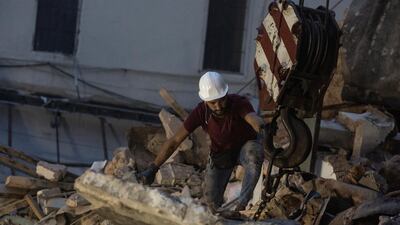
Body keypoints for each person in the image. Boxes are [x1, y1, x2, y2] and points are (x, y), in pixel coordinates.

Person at [138, 71, 266, 213]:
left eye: (222, 100)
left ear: (227, 94)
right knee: (210, 205)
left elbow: (252, 118)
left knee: (254, 153)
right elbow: (175, 140)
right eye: (213, 103)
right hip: (221, 155)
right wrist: (153, 168)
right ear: (205, 101)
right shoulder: (200, 112)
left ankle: (241, 207)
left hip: (244, 149)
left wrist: (262, 126)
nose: (218, 106)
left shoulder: (239, 103)